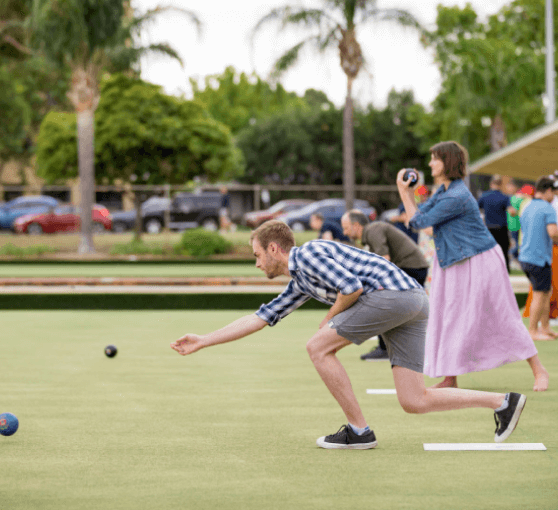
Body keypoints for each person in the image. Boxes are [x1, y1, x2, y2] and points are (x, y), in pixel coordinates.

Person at [171, 219, 529, 449]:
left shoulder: (308, 254)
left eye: (257, 255)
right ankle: (502, 402)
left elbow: (351, 287)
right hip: (413, 302)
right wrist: (204, 340)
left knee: (317, 346)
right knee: (413, 400)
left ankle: (359, 431)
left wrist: (329, 320)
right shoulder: (301, 279)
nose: (257, 263)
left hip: (395, 297)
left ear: (274, 249)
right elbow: (261, 316)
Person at [397, 141, 548, 392]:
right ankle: (450, 377)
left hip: (480, 261)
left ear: (449, 162)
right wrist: (410, 196)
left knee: (502, 315)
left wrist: (404, 193)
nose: (430, 163)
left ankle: (539, 370)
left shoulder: (457, 196)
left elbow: (418, 221)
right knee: (447, 318)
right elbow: (423, 218)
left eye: (435, 158)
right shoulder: (444, 192)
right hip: (452, 262)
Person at [341, 209, 429, 361]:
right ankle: (390, 348)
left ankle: (385, 349)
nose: (344, 232)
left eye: (346, 227)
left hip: (412, 268)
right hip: (412, 268)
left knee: (381, 302)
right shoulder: (370, 234)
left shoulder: (373, 230)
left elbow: (384, 260)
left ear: (356, 226)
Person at [518, 176, 558, 341]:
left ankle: (545, 328)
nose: (554, 196)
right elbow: (553, 233)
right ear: (548, 191)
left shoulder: (527, 206)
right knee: (540, 294)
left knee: (545, 292)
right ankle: (533, 331)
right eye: (554, 193)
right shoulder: (548, 208)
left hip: (526, 256)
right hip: (539, 258)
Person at [478, 175, 517, 273]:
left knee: (489, 251)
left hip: (489, 228)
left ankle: (489, 270)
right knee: (503, 250)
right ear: (500, 184)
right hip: (501, 228)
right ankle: (505, 270)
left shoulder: (484, 196)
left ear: (491, 184)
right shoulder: (504, 197)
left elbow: (476, 208)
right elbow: (511, 212)